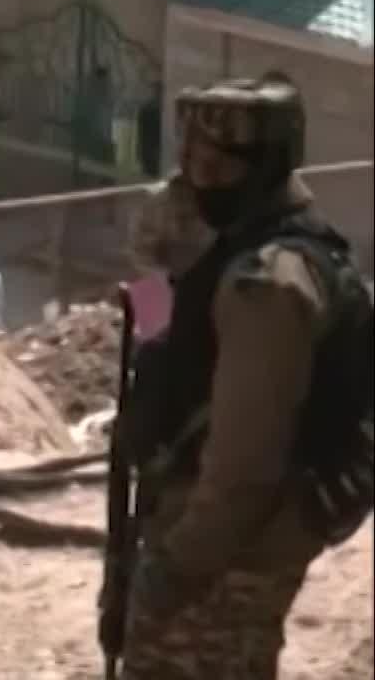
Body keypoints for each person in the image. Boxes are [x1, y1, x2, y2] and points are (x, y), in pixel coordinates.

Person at [115, 74, 374, 679]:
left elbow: (243, 467)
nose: (195, 183)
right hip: (223, 538)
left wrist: (175, 568)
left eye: (213, 167)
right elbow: (171, 353)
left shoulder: (266, 286)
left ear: (262, 170)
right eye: (188, 164)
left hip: (233, 552)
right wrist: (154, 272)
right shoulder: (247, 250)